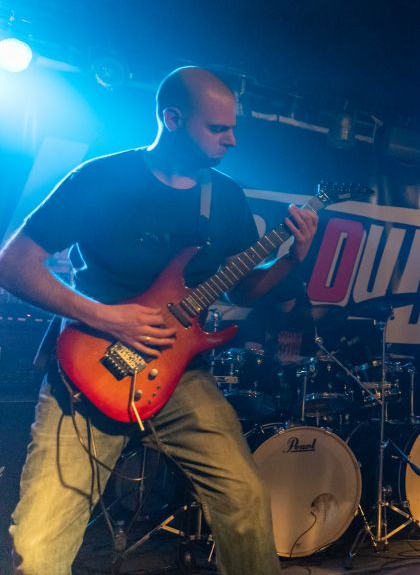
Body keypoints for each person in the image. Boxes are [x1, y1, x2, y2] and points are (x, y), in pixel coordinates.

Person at [0, 66, 318, 574]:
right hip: (90, 371)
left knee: (245, 499)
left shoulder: (225, 197)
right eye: (218, 128)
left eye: (233, 128)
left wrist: (290, 261)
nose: (232, 140)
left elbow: (241, 289)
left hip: (180, 376)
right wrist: (107, 318)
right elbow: (13, 263)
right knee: (39, 544)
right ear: (172, 119)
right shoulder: (101, 178)